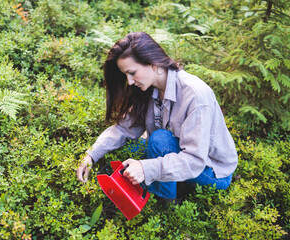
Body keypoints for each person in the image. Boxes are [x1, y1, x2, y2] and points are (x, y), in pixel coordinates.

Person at [76, 32, 238, 202]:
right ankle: (164, 182)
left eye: (132, 73)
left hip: (212, 170)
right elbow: (124, 128)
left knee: (159, 140)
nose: (129, 82)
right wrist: (90, 155)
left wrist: (145, 168)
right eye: (126, 75)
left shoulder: (195, 95)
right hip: (176, 152)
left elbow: (195, 161)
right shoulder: (147, 89)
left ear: (153, 64)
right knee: (129, 151)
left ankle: (165, 200)